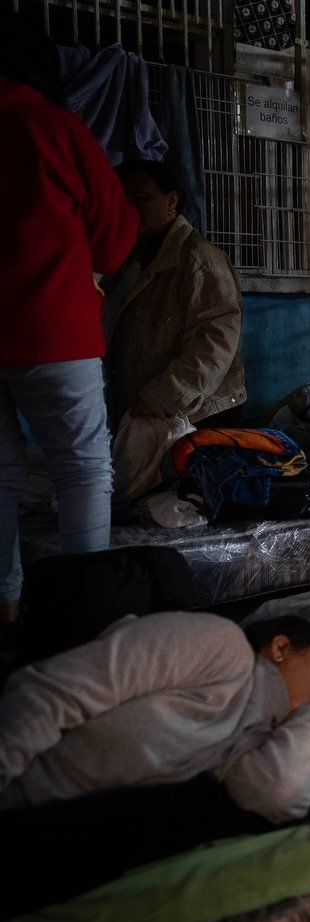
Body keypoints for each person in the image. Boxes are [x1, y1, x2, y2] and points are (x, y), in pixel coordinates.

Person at [0, 612, 310, 914]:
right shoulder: (223, 647)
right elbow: (52, 692)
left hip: (42, 836)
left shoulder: (254, 743)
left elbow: (279, 794)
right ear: (280, 648)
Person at [0, 36, 138, 630]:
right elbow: (112, 237)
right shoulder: (51, 126)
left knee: (0, 472)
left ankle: (4, 603)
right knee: (83, 469)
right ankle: (88, 614)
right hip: (52, 329)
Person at [105, 159, 246, 428]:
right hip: (148, 414)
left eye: (141, 196)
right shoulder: (129, 259)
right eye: (121, 197)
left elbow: (214, 348)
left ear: (171, 202)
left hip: (198, 416)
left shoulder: (200, 261)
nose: (128, 206)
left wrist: (161, 399)